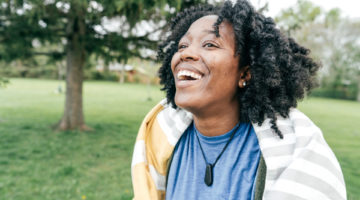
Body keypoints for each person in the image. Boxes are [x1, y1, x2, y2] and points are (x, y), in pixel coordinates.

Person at [131, 0, 346, 199]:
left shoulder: (296, 151)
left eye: (209, 45)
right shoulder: (161, 136)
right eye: (183, 46)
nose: (185, 54)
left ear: (245, 74)